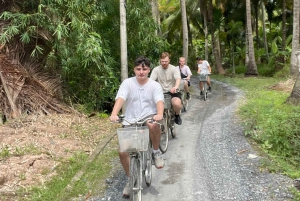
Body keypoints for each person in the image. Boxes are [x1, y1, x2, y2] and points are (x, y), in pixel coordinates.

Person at [109, 56, 165, 197]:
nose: (141, 72)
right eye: (138, 69)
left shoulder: (154, 85)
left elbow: (159, 101)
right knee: (123, 151)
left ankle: (156, 152)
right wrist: (114, 113)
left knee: (153, 126)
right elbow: (121, 98)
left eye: (144, 69)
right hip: (130, 120)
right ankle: (130, 179)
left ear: (149, 70)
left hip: (148, 117)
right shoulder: (128, 83)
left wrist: (159, 113)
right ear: (134, 69)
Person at [150, 52, 182, 125]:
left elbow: (178, 78)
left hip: (172, 91)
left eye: (166, 61)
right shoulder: (156, 69)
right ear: (160, 61)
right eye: (162, 61)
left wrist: (176, 87)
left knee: (176, 103)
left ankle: (177, 115)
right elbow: (151, 81)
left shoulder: (174, 69)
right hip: (160, 92)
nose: (164, 63)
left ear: (169, 61)